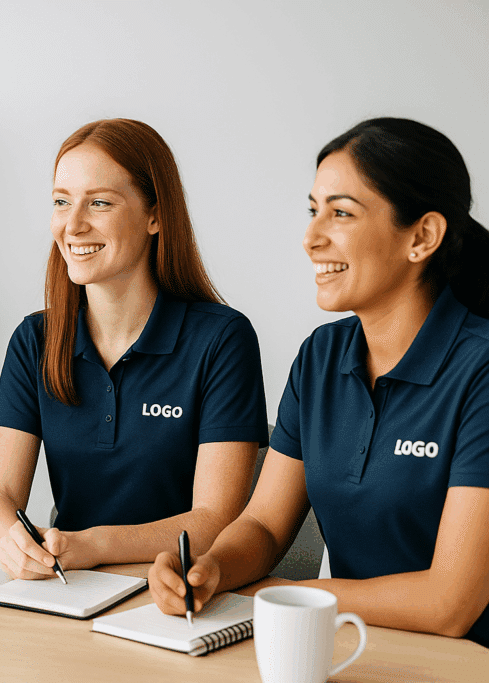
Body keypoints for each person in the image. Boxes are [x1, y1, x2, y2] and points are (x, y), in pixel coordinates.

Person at [149, 117, 489, 646]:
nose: (311, 238)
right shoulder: (320, 357)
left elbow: (450, 603)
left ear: (422, 236)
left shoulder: (482, 370)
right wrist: (213, 569)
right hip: (348, 647)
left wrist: (283, 597)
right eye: (313, 211)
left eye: (341, 213)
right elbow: (263, 525)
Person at [0, 119, 269, 579]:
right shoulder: (35, 340)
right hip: (69, 588)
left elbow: (215, 521)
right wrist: (9, 542)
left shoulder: (222, 340)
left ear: (155, 215)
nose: (73, 225)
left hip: (176, 592)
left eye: (99, 203)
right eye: (61, 202)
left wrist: (92, 545)